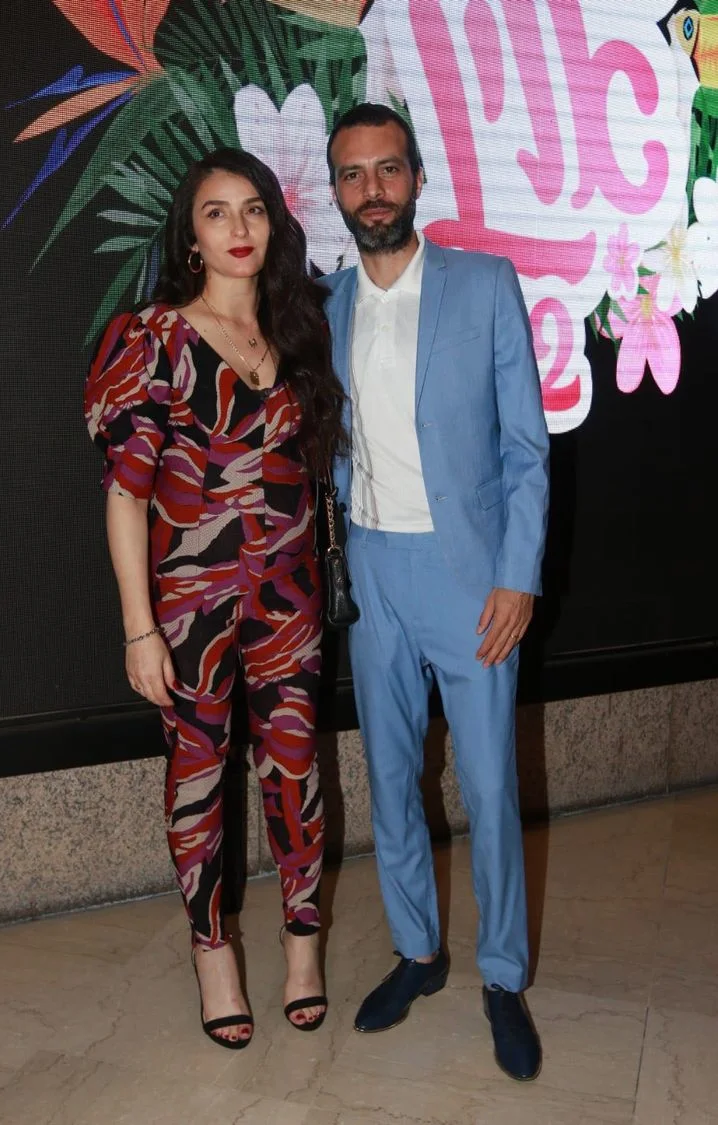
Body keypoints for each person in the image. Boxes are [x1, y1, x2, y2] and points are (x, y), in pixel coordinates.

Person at [84, 148, 347, 1048]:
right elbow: (126, 495)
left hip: (290, 599)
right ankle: (214, 955)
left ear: (274, 224)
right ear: (189, 238)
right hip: (189, 609)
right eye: (216, 212)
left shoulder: (297, 331)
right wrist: (139, 630)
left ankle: (303, 945)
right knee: (199, 779)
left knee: (296, 769)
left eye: (253, 210)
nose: (239, 228)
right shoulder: (152, 338)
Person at [323, 104, 550, 1081]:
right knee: (390, 777)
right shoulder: (326, 305)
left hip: (470, 576)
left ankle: (502, 975)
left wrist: (517, 576)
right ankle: (419, 952)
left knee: (491, 786)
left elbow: (526, 449)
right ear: (336, 191)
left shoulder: (485, 285)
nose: (371, 189)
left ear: (417, 178)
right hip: (373, 571)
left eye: (387, 169)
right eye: (352, 174)